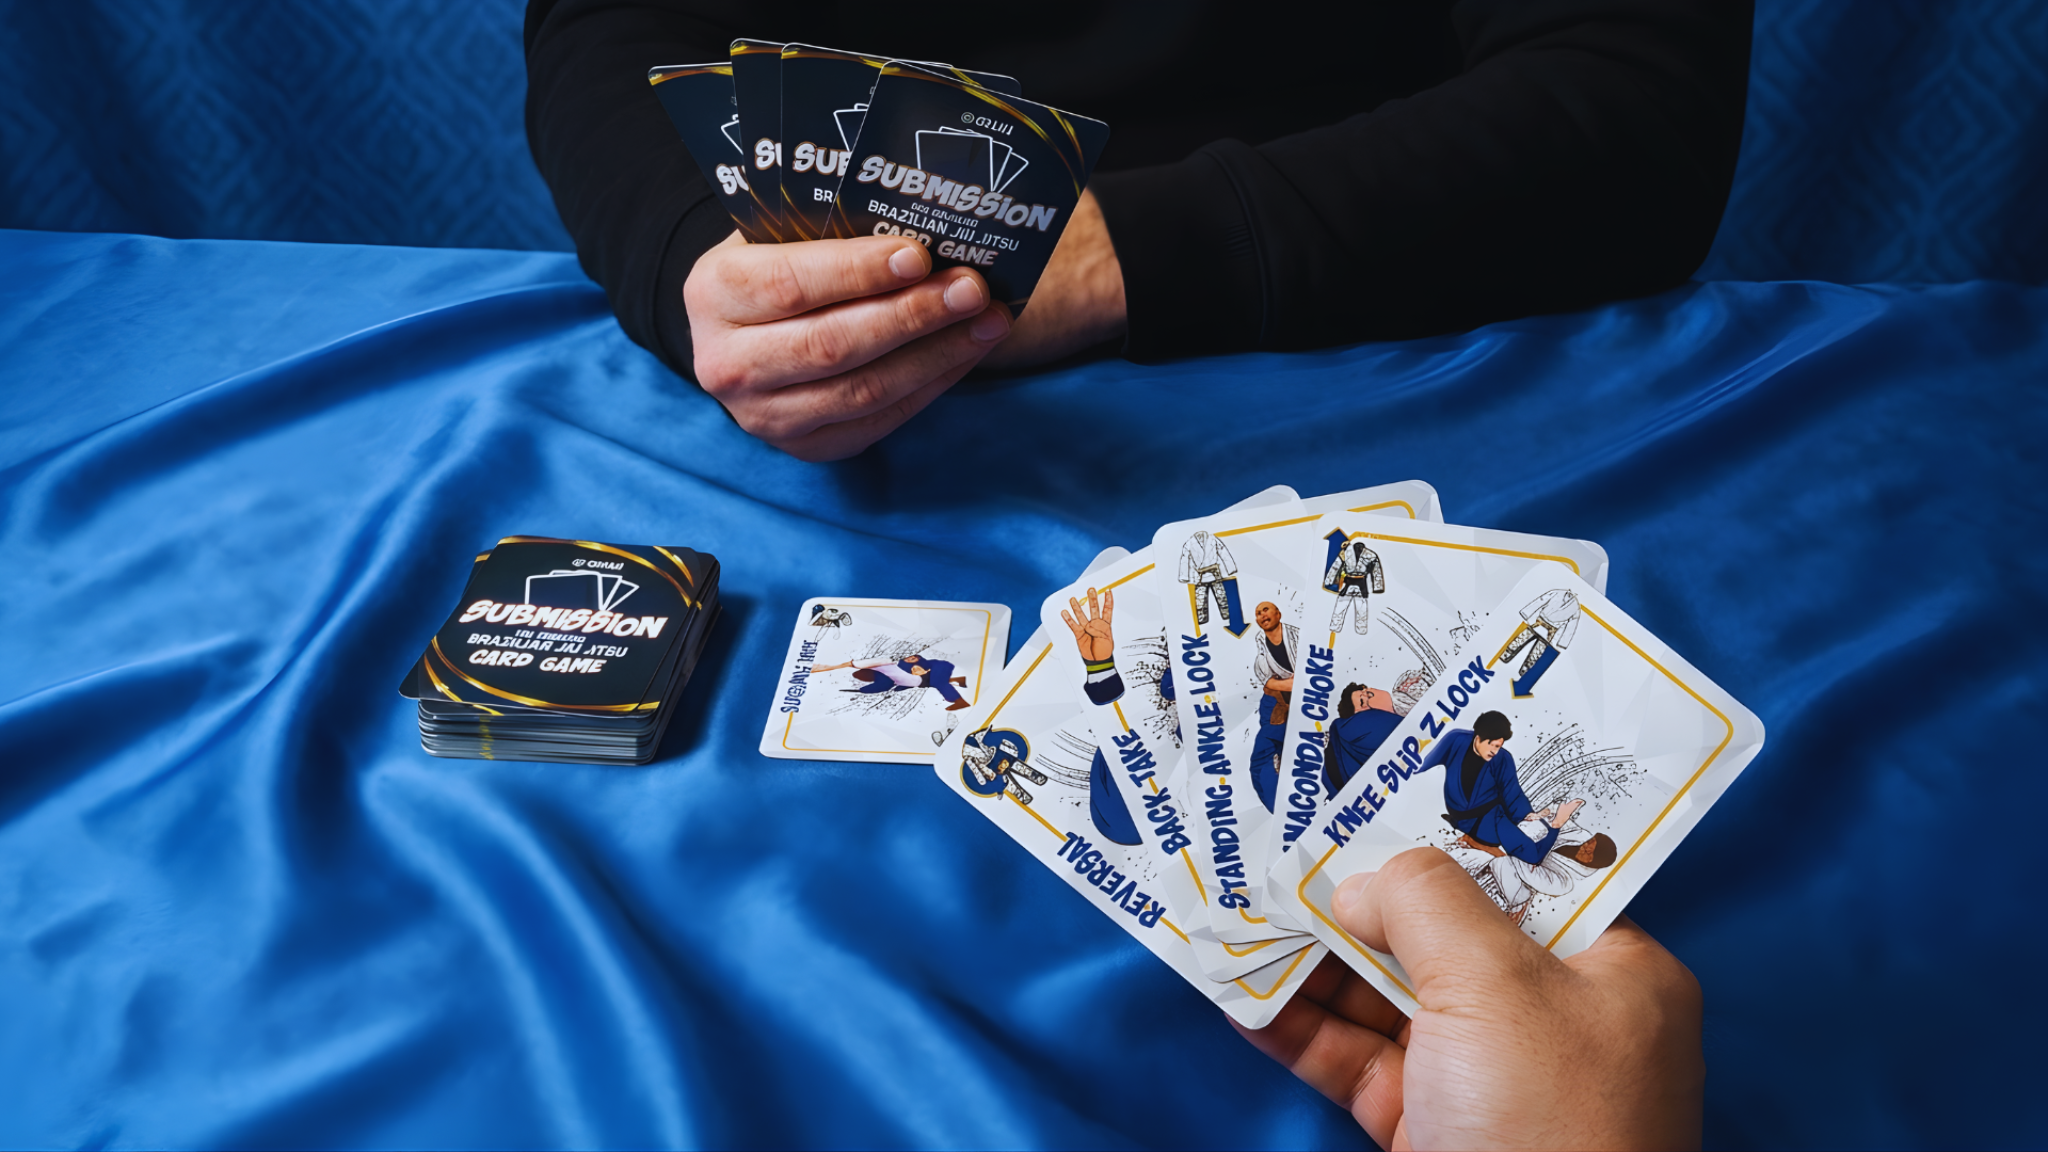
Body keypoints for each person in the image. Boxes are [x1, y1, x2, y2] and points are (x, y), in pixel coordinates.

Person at [524, 1, 1753, 460]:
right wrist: (693, 253)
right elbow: (608, 30)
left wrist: (1109, 255)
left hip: (1371, 372)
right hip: (833, 419)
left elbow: (1634, 101)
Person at [1235, 847, 1704, 1148]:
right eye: (1585, 845)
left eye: (1587, 852)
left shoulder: (1561, 879)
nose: (1581, 848)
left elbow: (1517, 864)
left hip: (1487, 895)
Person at [1422, 710, 1584, 866]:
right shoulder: (1456, 739)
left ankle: (1481, 840)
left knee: (1526, 849)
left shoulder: (1502, 759)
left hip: (1485, 819)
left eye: (1498, 746)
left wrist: (1545, 820)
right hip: (1465, 813)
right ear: (1477, 738)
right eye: (1491, 744)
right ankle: (1480, 840)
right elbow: (1422, 763)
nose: (1494, 750)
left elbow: (1511, 790)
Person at [1248, 601, 1297, 812]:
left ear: (1279, 613)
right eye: (1258, 613)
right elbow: (1268, 681)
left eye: (1265, 610)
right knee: (1262, 759)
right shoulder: (1261, 647)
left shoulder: (1299, 636)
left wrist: (1290, 683)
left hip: (1306, 705)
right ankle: (1280, 813)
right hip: (1276, 706)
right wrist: (1290, 683)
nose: (1262, 615)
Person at [1323, 682, 1405, 796]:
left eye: (1365, 691)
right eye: (1362, 702)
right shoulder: (1357, 726)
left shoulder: (1406, 699)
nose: (1367, 698)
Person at [811, 654, 971, 710]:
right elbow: (892, 683)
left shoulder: (882, 671)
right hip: (923, 678)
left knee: (938, 682)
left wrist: (863, 691)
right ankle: (958, 680)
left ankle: (959, 701)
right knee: (933, 681)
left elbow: (882, 686)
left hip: (927, 673)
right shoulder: (885, 673)